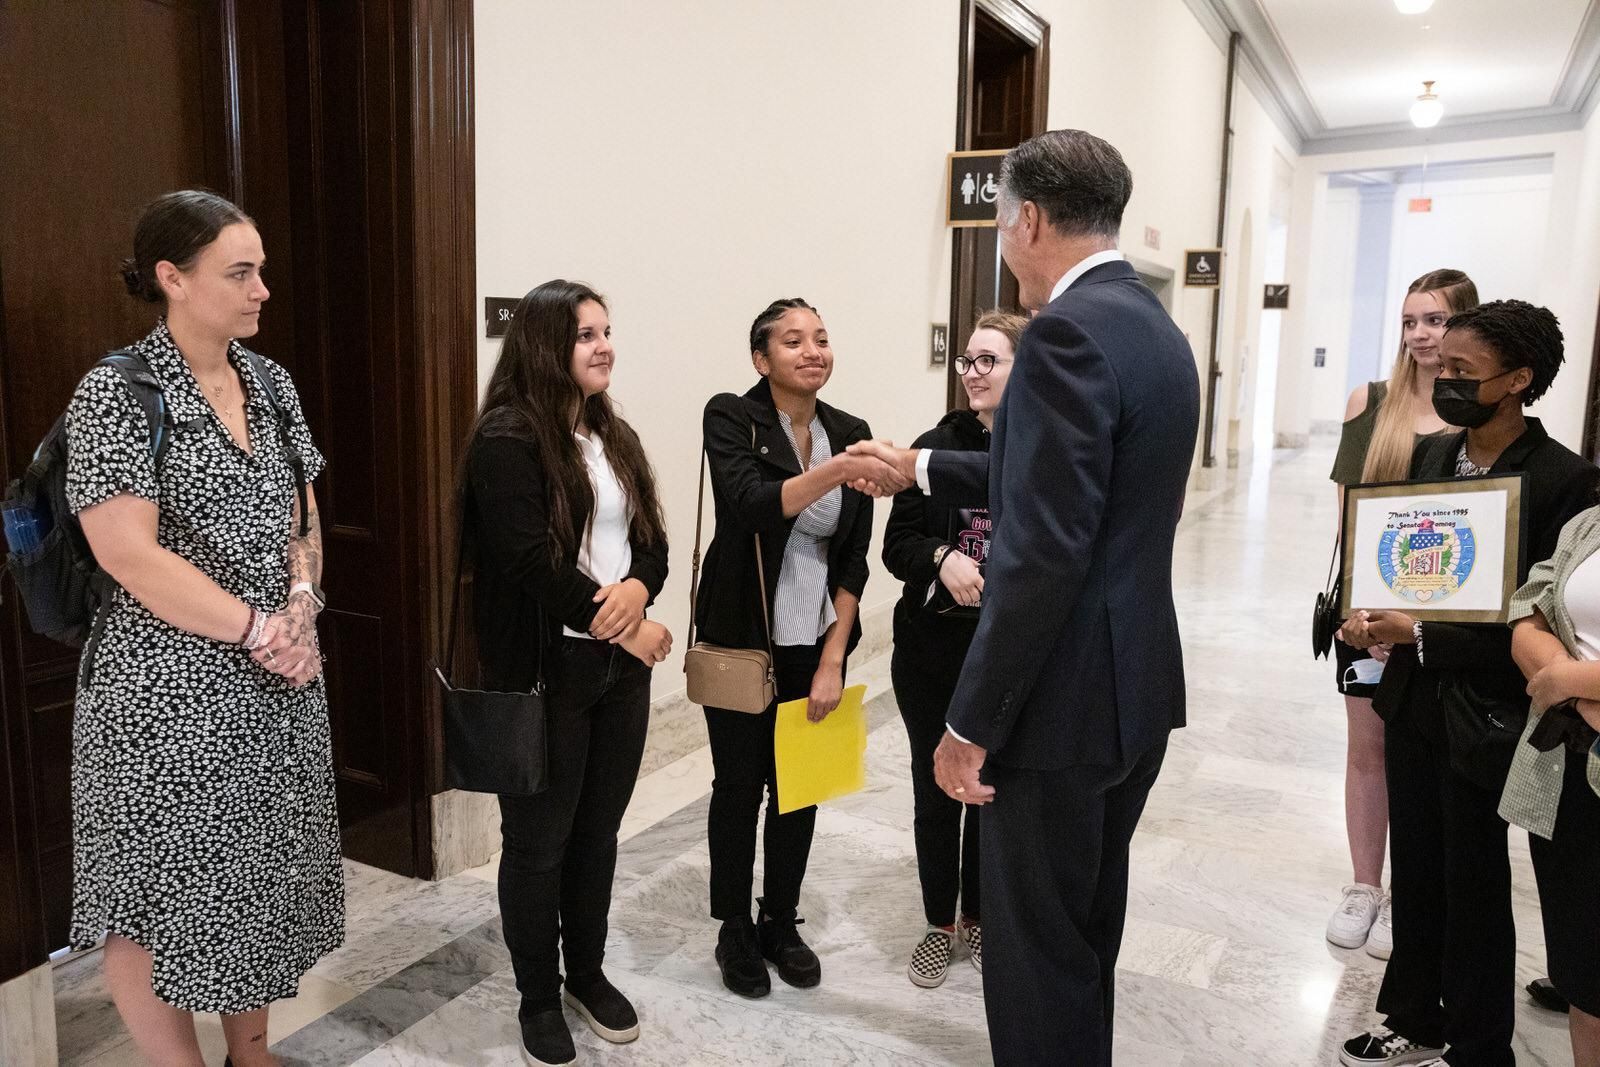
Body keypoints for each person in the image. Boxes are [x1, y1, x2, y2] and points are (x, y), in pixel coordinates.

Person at [851, 129, 1200, 1065]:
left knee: (1035, 956)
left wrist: (971, 722)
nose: (1004, 240)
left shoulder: (1064, 337)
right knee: (1084, 936)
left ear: (1030, 218)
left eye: (1004, 221)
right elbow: (1069, 476)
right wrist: (923, 465)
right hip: (1133, 693)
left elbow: (1043, 553)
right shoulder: (1156, 330)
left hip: (1059, 709)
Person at [65, 190, 337, 1067]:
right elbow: (127, 555)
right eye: (241, 271)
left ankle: (250, 1056)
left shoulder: (270, 382)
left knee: (252, 879)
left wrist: (302, 601)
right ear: (171, 278)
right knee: (151, 895)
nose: (262, 289)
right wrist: (261, 626)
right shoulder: (117, 391)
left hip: (275, 677)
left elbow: (304, 510)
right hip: (162, 696)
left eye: (261, 270)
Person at [1338, 300, 1600, 1067]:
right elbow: (1408, 569)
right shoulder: (1432, 456)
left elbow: (1537, 613)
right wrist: (1372, 615)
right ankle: (1415, 1016)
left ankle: (1481, 1044)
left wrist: (1418, 632)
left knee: (1473, 877)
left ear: (1518, 380)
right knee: (1416, 866)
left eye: (1463, 371)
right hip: (1415, 695)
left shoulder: (1561, 481)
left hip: (1492, 710)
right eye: (1440, 366)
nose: (1443, 379)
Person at [463, 280, 672, 1067]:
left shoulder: (609, 432)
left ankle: (586, 970)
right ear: (548, 343)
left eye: (608, 330)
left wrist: (640, 589)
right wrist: (625, 620)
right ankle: (538, 994)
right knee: (540, 843)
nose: (604, 344)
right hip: (549, 669)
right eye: (586, 333)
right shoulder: (508, 438)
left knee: (599, 834)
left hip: (619, 670)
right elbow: (526, 561)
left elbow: (650, 535)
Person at [695, 298, 896, 999]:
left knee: (800, 786)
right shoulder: (732, 416)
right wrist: (841, 471)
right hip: (744, 635)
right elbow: (750, 503)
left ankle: (779, 918)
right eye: (791, 340)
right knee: (739, 786)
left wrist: (837, 653)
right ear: (762, 358)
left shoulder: (851, 431)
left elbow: (853, 557)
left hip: (815, 636)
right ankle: (732, 926)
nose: (812, 350)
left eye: (821, 338)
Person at [1326, 269, 1477, 959]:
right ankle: (1365, 886)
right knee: (1369, 748)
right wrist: (1363, 611)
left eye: (1436, 320)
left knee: (1431, 755)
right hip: (1368, 612)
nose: (1420, 334)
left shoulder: (1477, 407)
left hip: (1444, 617)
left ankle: (1414, 895)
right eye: (1411, 320)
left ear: (1464, 326)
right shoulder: (1373, 401)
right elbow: (1347, 511)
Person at [881, 310, 1025, 988]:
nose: (972, 371)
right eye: (967, 359)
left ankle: (981, 918)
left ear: (1021, 368)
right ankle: (941, 922)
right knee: (935, 787)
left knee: (990, 791)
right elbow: (896, 544)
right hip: (932, 651)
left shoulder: (1039, 450)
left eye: (988, 359)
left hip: (1005, 657)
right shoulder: (932, 447)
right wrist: (941, 557)